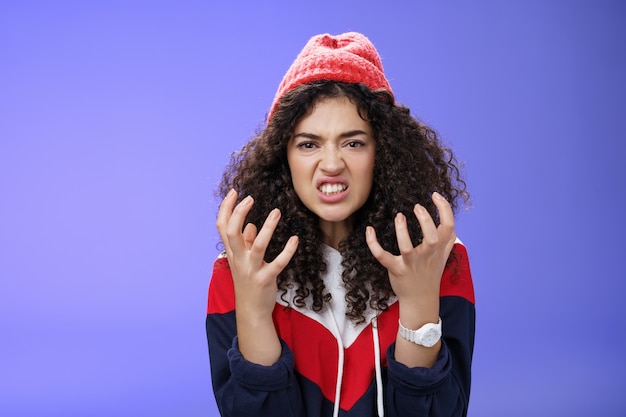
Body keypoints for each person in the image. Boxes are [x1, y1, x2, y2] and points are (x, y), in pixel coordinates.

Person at [205, 32, 475, 417]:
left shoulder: (436, 256)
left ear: (385, 152)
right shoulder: (241, 267)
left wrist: (418, 304)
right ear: (282, 159)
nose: (331, 164)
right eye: (308, 144)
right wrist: (252, 310)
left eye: (353, 143)